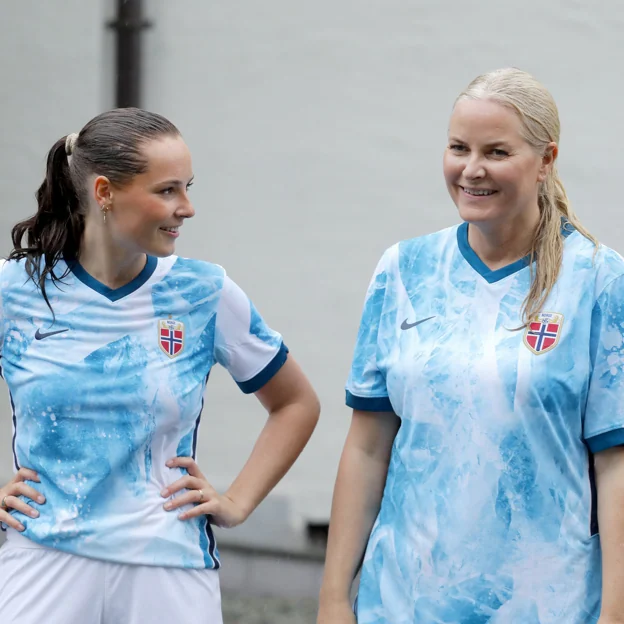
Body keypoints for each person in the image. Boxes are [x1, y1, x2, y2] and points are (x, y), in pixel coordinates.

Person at [317, 67, 624, 623]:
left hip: (542, 605)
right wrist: (335, 598)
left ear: (546, 160)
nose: (471, 169)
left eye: (497, 152)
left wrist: (615, 613)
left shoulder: (599, 280)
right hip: (403, 602)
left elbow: (616, 465)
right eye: (459, 147)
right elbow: (366, 447)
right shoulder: (404, 270)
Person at [0, 108, 320, 623]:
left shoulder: (205, 291)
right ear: (104, 192)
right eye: (168, 190)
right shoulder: (13, 289)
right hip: (42, 553)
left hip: (167, 561)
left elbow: (296, 404)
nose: (187, 208)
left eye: (187, 187)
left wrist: (237, 501)